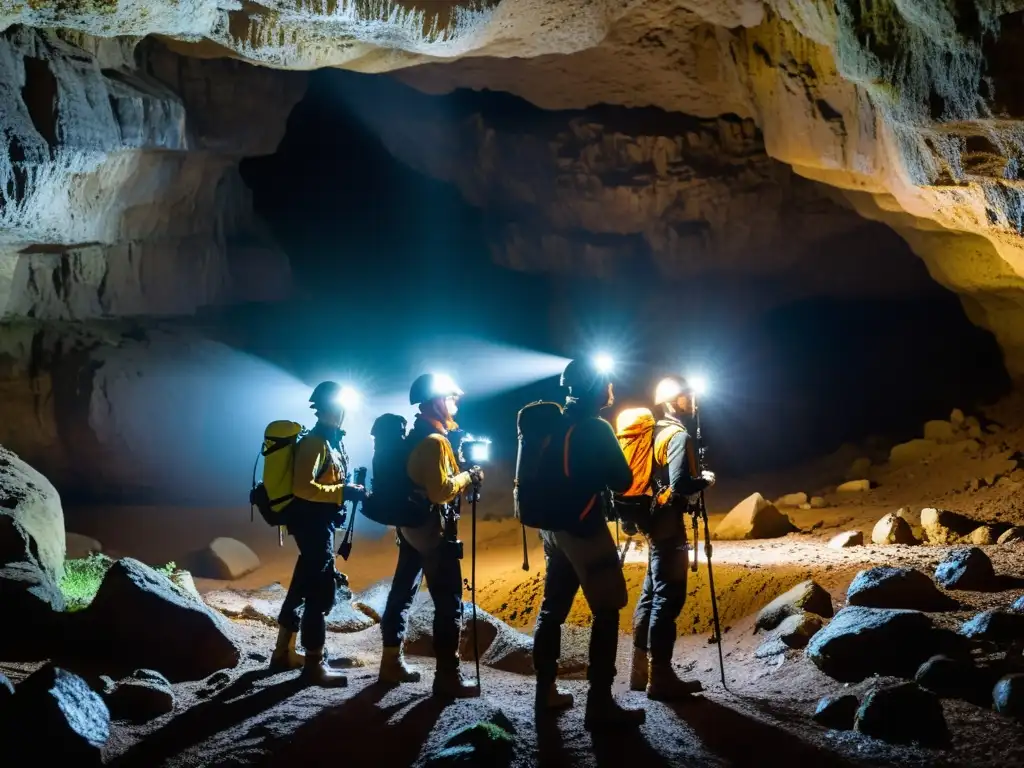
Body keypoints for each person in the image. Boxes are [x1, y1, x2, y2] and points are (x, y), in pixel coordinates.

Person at [532, 357, 644, 727]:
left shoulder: (555, 424)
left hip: (553, 531)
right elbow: (623, 480)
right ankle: (599, 705)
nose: (611, 387)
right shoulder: (595, 427)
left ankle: (545, 693)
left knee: (552, 612)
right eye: (608, 382)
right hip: (584, 529)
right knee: (608, 609)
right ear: (596, 387)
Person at [378, 372, 483, 698]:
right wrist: (468, 476)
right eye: (451, 398)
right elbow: (440, 491)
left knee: (402, 593)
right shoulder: (434, 442)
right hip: (432, 532)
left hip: (410, 528)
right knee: (449, 603)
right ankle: (447, 678)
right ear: (437, 402)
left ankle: (390, 662)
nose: (456, 403)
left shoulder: (419, 435)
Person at [271, 381, 366, 686]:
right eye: (337, 406)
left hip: (320, 522)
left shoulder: (332, 441)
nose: (342, 411)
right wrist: (344, 491)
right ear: (325, 409)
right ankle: (314, 662)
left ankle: (283, 652)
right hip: (312, 523)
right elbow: (303, 488)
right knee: (320, 591)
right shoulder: (315, 442)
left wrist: (345, 490)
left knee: (303, 583)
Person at [626, 375, 715, 699]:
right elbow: (679, 486)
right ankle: (660, 677)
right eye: (686, 395)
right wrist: (704, 480)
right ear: (672, 400)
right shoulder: (677, 435)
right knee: (668, 597)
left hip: (650, 523)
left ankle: (640, 672)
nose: (691, 399)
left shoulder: (653, 434)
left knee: (651, 594)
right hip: (667, 526)